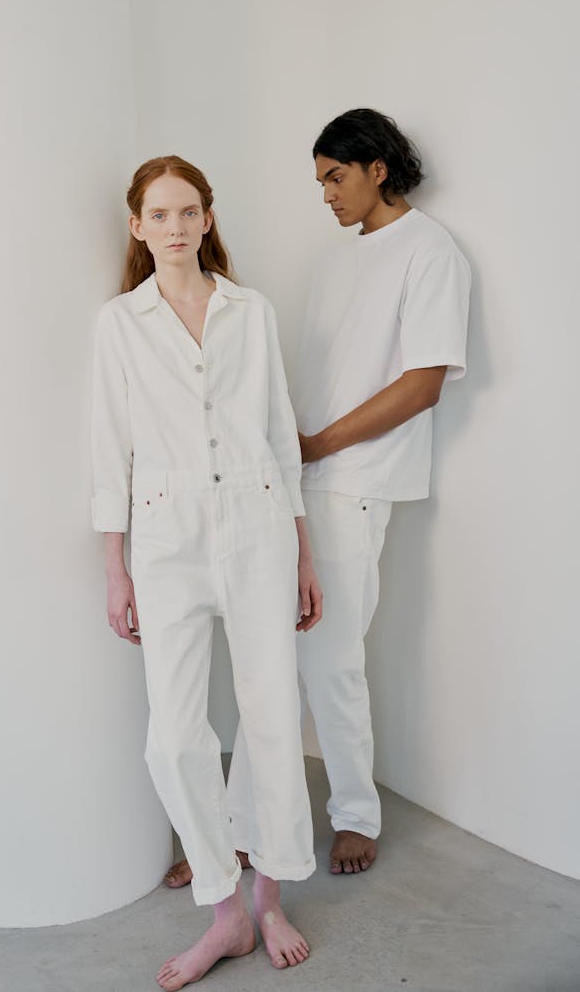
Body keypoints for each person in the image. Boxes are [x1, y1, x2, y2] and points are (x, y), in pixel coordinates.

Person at [165, 108, 471, 887]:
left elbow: (423, 382)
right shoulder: (338, 262)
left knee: (328, 662)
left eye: (336, 176)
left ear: (378, 167)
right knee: (269, 662)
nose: (326, 194)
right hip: (291, 484)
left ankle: (355, 815)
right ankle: (236, 834)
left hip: (354, 484)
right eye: (319, 181)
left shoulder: (431, 253)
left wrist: (318, 446)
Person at [91, 156, 322, 990]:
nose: (178, 228)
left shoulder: (249, 312)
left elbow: (279, 433)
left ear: (208, 217)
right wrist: (114, 571)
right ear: (138, 226)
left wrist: (301, 549)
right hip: (166, 538)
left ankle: (269, 895)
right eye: (160, 215)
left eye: (190, 212)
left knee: (269, 718)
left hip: (259, 529)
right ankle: (223, 911)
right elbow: (105, 452)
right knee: (174, 736)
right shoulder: (120, 323)